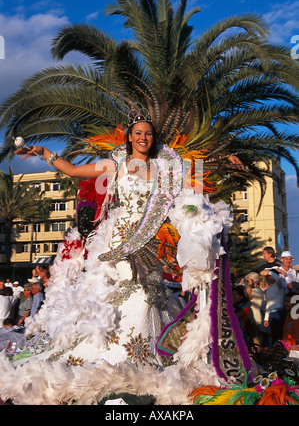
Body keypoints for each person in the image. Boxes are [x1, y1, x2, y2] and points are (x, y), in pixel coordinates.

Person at [0, 107, 247, 405]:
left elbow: (195, 174)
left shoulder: (165, 168)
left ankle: (154, 356)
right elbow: (74, 171)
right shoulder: (114, 165)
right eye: (138, 133)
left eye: (148, 134)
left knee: (154, 294)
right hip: (120, 243)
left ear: (153, 138)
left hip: (150, 244)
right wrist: (45, 154)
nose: (143, 138)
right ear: (129, 137)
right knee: (131, 294)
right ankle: (119, 357)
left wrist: (225, 163)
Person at [244, 272, 264, 346]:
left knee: (256, 340)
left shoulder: (258, 291)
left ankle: (258, 355)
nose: (247, 283)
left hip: (256, 319)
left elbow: (248, 291)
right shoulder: (252, 291)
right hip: (251, 319)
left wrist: (250, 284)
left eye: (248, 281)